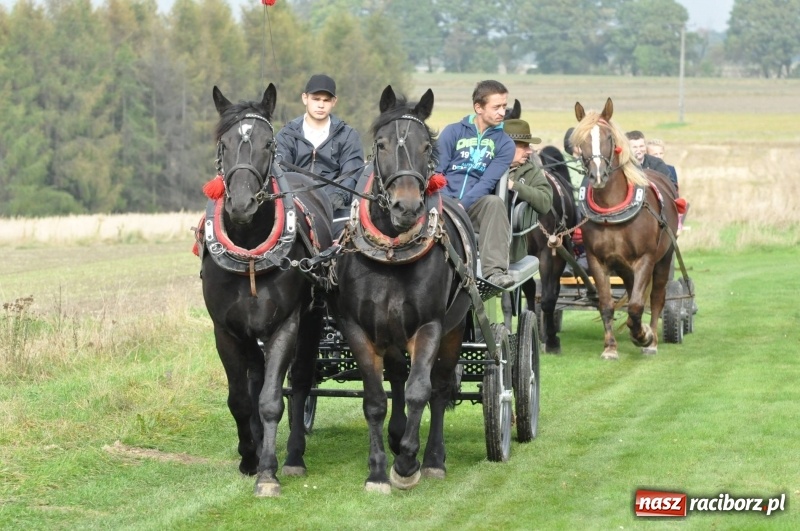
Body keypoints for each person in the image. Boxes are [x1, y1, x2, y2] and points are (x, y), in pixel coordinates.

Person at [435, 80, 516, 288]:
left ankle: (495, 272)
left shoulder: (505, 144)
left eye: (504, 106)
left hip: (473, 206)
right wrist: (445, 201)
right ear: (478, 108)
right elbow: (437, 171)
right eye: (496, 107)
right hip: (442, 201)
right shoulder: (452, 132)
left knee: (494, 203)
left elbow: (487, 181)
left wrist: (462, 205)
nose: (502, 112)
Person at [275, 74, 364, 236]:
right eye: (316, 99)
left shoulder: (348, 135)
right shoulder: (286, 134)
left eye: (326, 100)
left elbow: (352, 172)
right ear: (305, 98)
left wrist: (339, 196)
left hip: (336, 212)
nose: (321, 105)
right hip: (294, 209)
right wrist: (293, 200)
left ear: (334, 102)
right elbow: (280, 172)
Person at [504, 118, 553, 263]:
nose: (530, 151)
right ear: (507, 147)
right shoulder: (484, 166)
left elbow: (545, 202)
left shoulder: (531, 172)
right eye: (524, 146)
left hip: (512, 252)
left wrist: (514, 186)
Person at [562, 127, 585, 203]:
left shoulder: (588, 161)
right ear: (569, 144)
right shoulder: (560, 161)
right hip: (567, 204)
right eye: (578, 141)